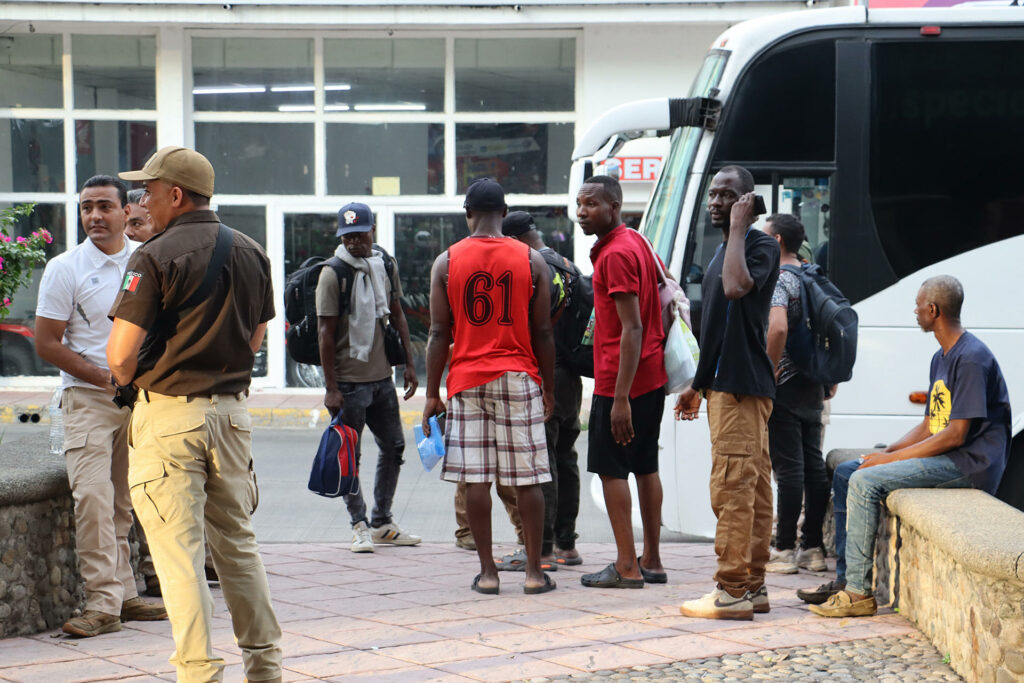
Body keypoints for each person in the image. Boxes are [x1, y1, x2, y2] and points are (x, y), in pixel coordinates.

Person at [107, 146, 282, 683]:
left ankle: (199, 672)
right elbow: (255, 340)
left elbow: (120, 356)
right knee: (238, 547)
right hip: (230, 416)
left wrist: (133, 376)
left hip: (169, 417)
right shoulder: (252, 251)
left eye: (149, 191)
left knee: (179, 555)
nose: (143, 201)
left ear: (177, 195)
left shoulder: (153, 256)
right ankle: (265, 668)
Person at [808, 275, 1011, 618]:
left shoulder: (971, 359)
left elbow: (956, 434)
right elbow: (931, 424)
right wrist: (887, 452)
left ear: (933, 310)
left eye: (918, 305)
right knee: (846, 471)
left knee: (865, 480)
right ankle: (845, 580)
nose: (914, 311)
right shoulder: (941, 357)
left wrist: (889, 461)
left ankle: (858, 593)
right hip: (948, 454)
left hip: (969, 463)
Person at [34, 175, 167, 637]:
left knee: (123, 503)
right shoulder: (64, 268)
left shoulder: (145, 260)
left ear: (124, 212)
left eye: (104, 206)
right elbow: (47, 343)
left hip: (140, 399)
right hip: (87, 397)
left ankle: (124, 596)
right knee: (91, 498)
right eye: (86, 207)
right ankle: (102, 603)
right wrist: (104, 377)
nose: (94, 216)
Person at [422, 178, 556, 595]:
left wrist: (431, 393)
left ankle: (488, 573)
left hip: (466, 380)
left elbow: (438, 332)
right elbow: (543, 332)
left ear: (468, 214)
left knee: (476, 479)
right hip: (518, 375)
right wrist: (549, 387)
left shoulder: (446, 262)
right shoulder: (532, 259)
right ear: (504, 213)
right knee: (528, 479)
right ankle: (534, 573)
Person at [675, 166, 780, 620]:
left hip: (742, 388)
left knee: (734, 487)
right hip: (727, 386)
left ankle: (732, 590)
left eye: (728, 195)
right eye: (713, 194)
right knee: (750, 487)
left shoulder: (756, 246)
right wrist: (698, 385)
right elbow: (716, 329)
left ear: (748, 202)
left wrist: (740, 226)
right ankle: (752, 587)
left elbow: (737, 289)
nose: (716, 202)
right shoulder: (724, 250)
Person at [576, 175, 667, 590]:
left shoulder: (614, 254)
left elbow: (632, 328)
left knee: (611, 471)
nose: (582, 212)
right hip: (651, 374)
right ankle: (653, 560)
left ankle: (627, 565)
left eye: (591, 204)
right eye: (579, 204)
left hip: (621, 382)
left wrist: (620, 399)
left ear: (614, 207)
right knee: (646, 466)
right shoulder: (637, 241)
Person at [316, 201, 420, 553]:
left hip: (381, 379)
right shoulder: (333, 273)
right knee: (350, 456)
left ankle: (382, 522)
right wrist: (331, 387)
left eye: (360, 235)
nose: (354, 242)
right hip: (348, 383)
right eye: (347, 237)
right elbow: (325, 334)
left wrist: (408, 363)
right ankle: (358, 524)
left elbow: (398, 314)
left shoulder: (384, 264)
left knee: (394, 446)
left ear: (371, 231)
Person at [502, 210, 585, 568]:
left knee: (542, 462)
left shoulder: (534, 268)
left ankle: (543, 549)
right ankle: (567, 545)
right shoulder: (568, 265)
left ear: (515, 239)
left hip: (544, 374)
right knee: (565, 457)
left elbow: (535, 328)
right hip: (572, 377)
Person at [762, 214, 829, 575]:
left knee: (788, 469)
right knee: (813, 466)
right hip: (813, 382)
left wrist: (770, 370)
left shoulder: (780, 278)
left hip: (785, 383)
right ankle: (813, 549)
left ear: (776, 241)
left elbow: (777, 328)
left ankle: (785, 549)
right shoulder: (812, 275)